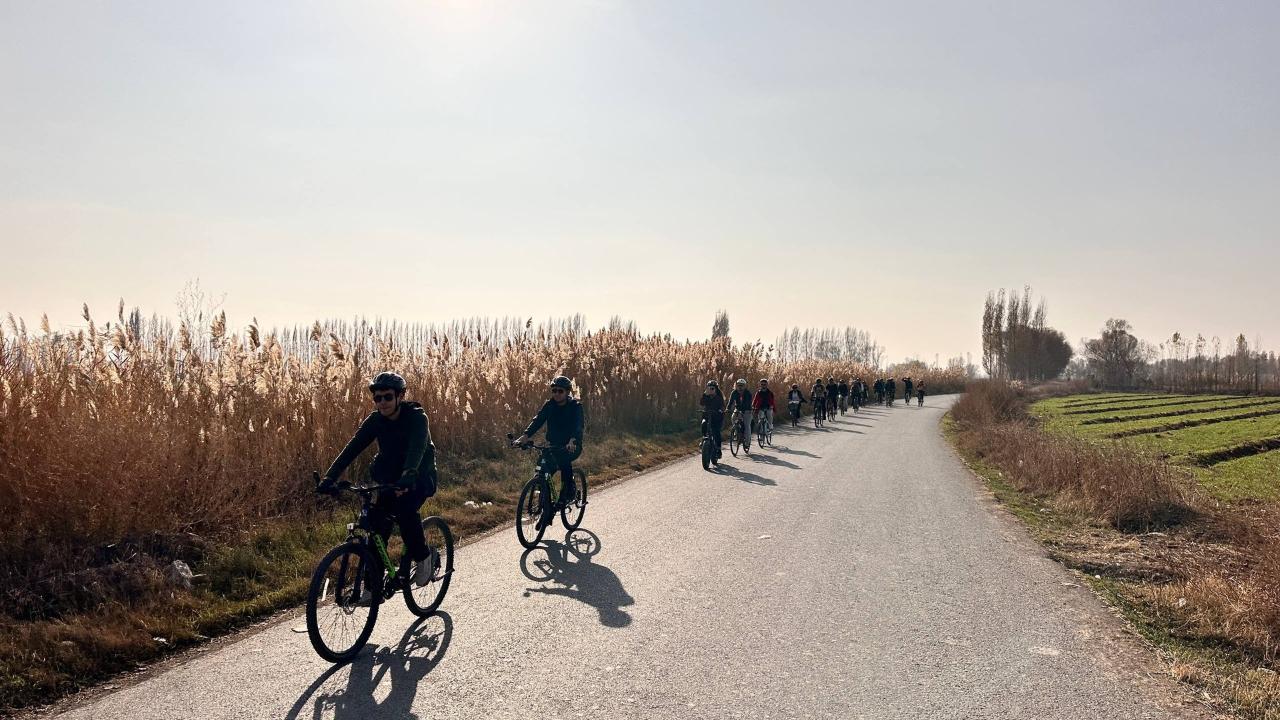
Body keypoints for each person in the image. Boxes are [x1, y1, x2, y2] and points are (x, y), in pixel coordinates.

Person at [319, 371, 439, 598]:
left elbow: (417, 448)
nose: (382, 402)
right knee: (376, 523)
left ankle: (424, 557)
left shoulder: (417, 418)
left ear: (400, 396)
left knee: (405, 512)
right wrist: (329, 478)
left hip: (419, 476)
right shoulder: (375, 420)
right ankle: (373, 586)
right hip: (389, 479)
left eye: (387, 397)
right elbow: (352, 449)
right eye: (377, 398)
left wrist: (409, 475)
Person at [512, 375, 585, 505]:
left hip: (572, 445)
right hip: (553, 444)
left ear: (567, 392)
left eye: (560, 391)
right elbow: (538, 420)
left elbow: (578, 426)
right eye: (554, 390)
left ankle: (567, 493)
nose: (556, 394)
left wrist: (573, 440)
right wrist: (525, 436)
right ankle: (546, 505)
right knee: (543, 469)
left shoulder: (575, 406)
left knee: (564, 461)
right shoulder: (549, 405)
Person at [700, 380, 725, 460]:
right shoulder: (706, 396)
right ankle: (704, 438)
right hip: (707, 416)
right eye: (709, 388)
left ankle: (718, 449)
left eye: (712, 388)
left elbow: (722, 406)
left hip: (717, 417)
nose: (710, 390)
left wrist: (720, 410)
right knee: (703, 424)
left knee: (716, 431)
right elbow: (701, 403)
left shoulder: (719, 397)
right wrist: (705, 394)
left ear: (716, 389)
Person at [726, 379, 754, 451]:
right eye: (738, 385)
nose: (740, 387)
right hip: (738, 409)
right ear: (736, 386)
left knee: (747, 425)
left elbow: (748, 403)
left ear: (744, 386)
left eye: (742, 386)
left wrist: (743, 412)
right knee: (733, 418)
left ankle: (747, 442)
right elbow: (730, 402)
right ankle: (736, 432)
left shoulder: (748, 393)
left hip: (747, 410)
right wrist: (728, 408)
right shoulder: (734, 392)